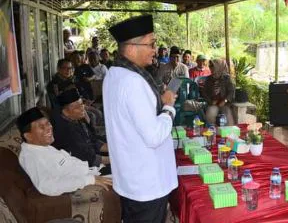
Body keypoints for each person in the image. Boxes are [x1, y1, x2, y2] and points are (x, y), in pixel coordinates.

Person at [104, 14, 178, 223]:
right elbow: (154, 136)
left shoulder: (114, 74)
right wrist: (168, 107)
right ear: (132, 47)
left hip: (131, 177)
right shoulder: (133, 82)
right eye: (151, 44)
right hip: (147, 184)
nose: (155, 50)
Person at [16, 107, 112, 196]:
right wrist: (90, 180)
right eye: (41, 127)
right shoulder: (30, 156)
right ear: (28, 136)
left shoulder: (42, 147)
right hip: (87, 181)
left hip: (93, 171)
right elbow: (46, 186)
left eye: (48, 123)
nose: (49, 128)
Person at [51, 88, 110, 173]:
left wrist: (113, 149)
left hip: (92, 157)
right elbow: (88, 158)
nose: (82, 108)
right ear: (66, 112)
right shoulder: (65, 131)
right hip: (83, 168)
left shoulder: (75, 118)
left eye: (82, 104)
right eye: (77, 107)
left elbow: (93, 140)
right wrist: (114, 159)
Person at [202, 59, 235, 126]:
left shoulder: (227, 78)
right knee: (210, 114)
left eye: (212, 66)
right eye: (210, 66)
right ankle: (213, 132)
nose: (210, 68)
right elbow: (204, 93)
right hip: (213, 103)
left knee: (227, 115)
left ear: (218, 66)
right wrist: (211, 101)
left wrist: (225, 100)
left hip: (224, 103)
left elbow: (231, 92)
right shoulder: (209, 79)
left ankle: (228, 134)